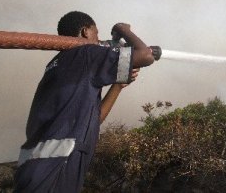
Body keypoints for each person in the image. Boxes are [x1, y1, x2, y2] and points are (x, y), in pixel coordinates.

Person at [14, 11, 156, 192]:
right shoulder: (86, 53)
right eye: (96, 33)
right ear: (85, 32)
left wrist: (117, 87)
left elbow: (94, 121)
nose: (98, 40)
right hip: (56, 167)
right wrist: (123, 29)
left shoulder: (56, 64)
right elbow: (146, 55)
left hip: (34, 171)